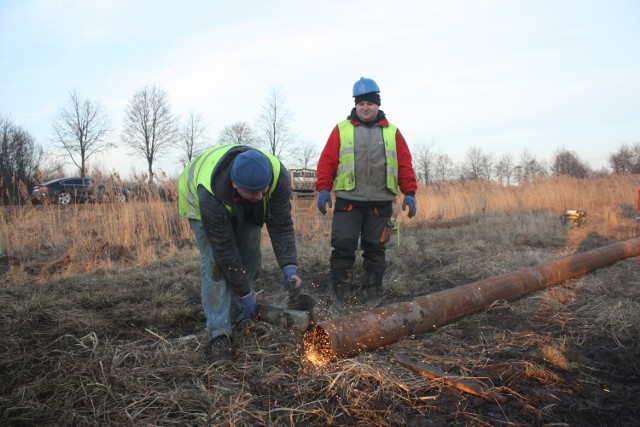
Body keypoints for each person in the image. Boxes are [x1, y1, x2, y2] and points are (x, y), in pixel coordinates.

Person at [178, 144, 303, 362]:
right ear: (235, 183)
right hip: (201, 205)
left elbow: (281, 224)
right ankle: (219, 333)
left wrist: (289, 267)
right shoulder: (210, 194)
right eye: (252, 192)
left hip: (239, 204)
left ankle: (239, 316)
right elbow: (225, 252)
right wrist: (246, 293)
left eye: (262, 190)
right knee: (216, 267)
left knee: (251, 259)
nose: (258, 196)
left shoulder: (278, 177)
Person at [315, 77, 418, 305]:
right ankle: (340, 290)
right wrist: (323, 188)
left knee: (375, 248)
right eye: (361, 103)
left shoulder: (393, 132)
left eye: (370, 103)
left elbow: (404, 164)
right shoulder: (341, 129)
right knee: (343, 245)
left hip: (380, 203)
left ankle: (372, 291)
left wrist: (409, 192)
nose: (365, 107)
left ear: (377, 104)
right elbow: (327, 162)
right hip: (348, 201)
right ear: (355, 104)